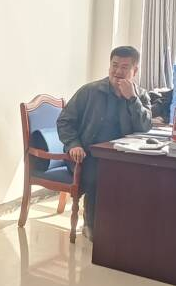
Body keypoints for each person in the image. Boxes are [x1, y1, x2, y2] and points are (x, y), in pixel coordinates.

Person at [58, 46, 153, 235]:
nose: (118, 72)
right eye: (114, 65)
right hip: (87, 156)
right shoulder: (90, 91)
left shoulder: (140, 95)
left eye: (124, 67)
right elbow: (64, 121)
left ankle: (125, 227)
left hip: (124, 157)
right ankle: (92, 226)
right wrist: (73, 144)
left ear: (135, 70)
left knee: (144, 178)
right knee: (101, 176)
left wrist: (132, 99)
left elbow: (145, 126)